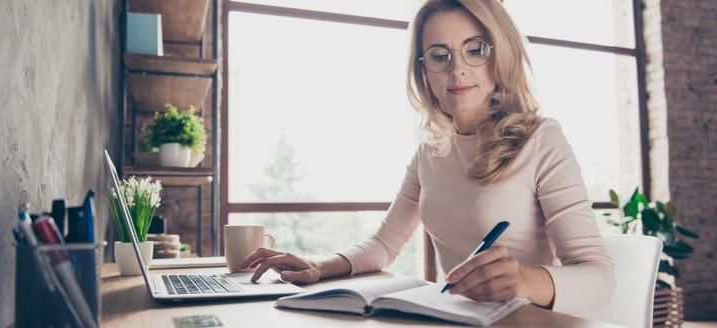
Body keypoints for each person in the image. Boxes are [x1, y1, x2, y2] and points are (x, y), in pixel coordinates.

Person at [238, 0, 615, 314]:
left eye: (476, 48)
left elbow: (600, 280)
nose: (457, 68)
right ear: (424, 72)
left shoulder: (542, 139)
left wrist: (523, 279)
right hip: (453, 319)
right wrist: (320, 265)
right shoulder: (430, 148)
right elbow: (384, 244)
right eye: (439, 55)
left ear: (500, 54)